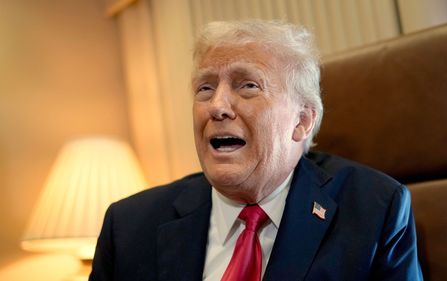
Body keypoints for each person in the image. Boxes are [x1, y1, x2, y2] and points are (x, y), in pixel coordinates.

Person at [90, 20, 423, 281]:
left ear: (302, 121)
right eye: (205, 88)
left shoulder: (373, 211)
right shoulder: (130, 226)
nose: (217, 106)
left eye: (247, 85)